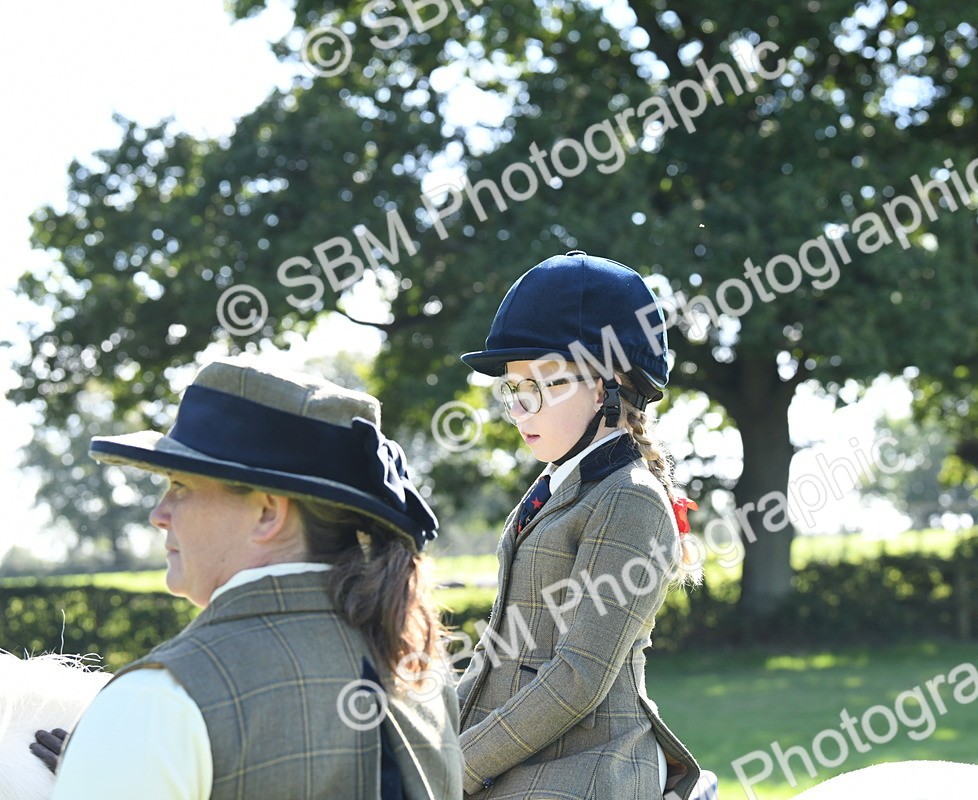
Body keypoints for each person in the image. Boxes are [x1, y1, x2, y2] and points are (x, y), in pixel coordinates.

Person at [46, 359, 463, 800]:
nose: (158, 514)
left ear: (267, 512)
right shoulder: (421, 673)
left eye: (180, 486)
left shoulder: (158, 702)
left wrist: (110, 762)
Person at [456, 250, 715, 799]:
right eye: (513, 389)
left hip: (588, 769)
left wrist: (459, 765)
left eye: (543, 386)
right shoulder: (552, 490)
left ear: (607, 387)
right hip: (521, 758)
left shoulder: (632, 500)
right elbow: (498, 653)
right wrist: (424, 744)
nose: (521, 409)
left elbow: (578, 677)